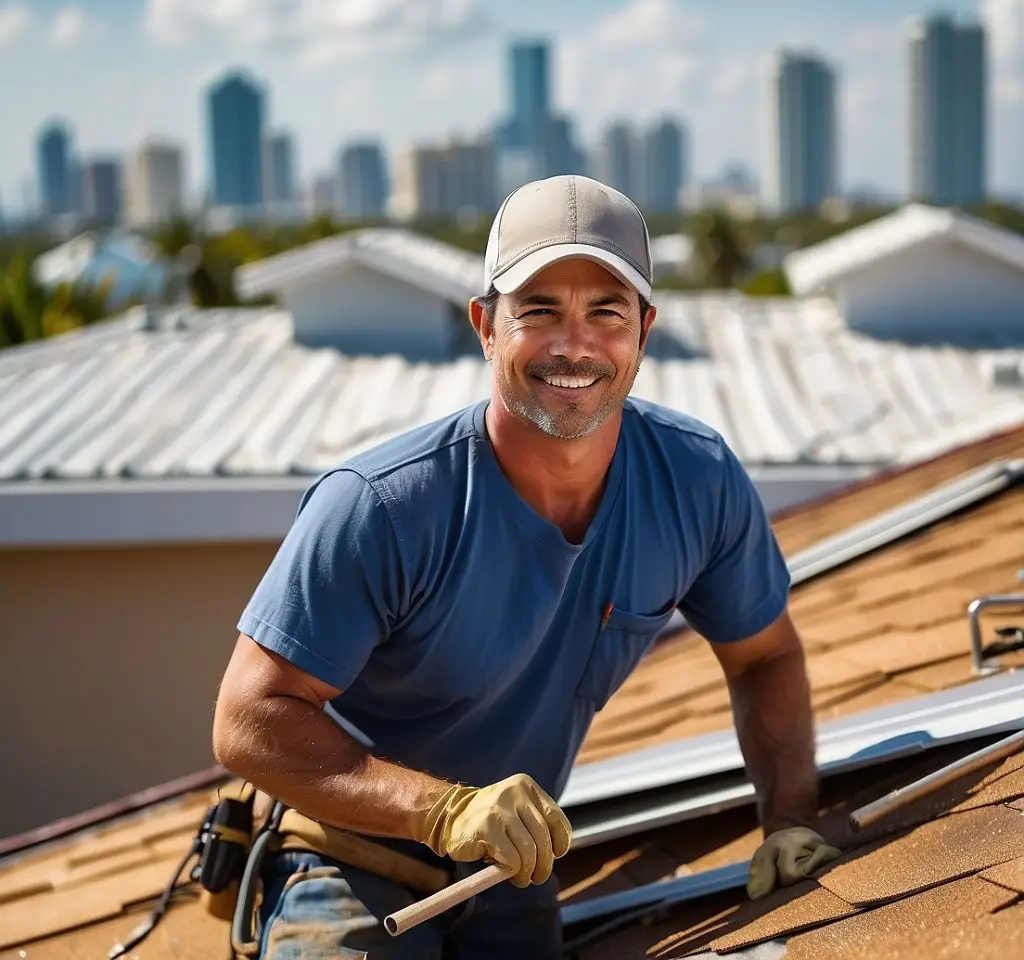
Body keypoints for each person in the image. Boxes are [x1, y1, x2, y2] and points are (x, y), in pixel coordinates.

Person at [212, 174, 840, 960]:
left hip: (512, 879)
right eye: (538, 311)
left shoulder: (696, 481)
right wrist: (442, 810)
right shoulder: (384, 507)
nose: (573, 345)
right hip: (349, 860)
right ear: (485, 326)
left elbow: (766, 654)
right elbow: (247, 720)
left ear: (644, 331)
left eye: (605, 312)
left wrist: (788, 820)